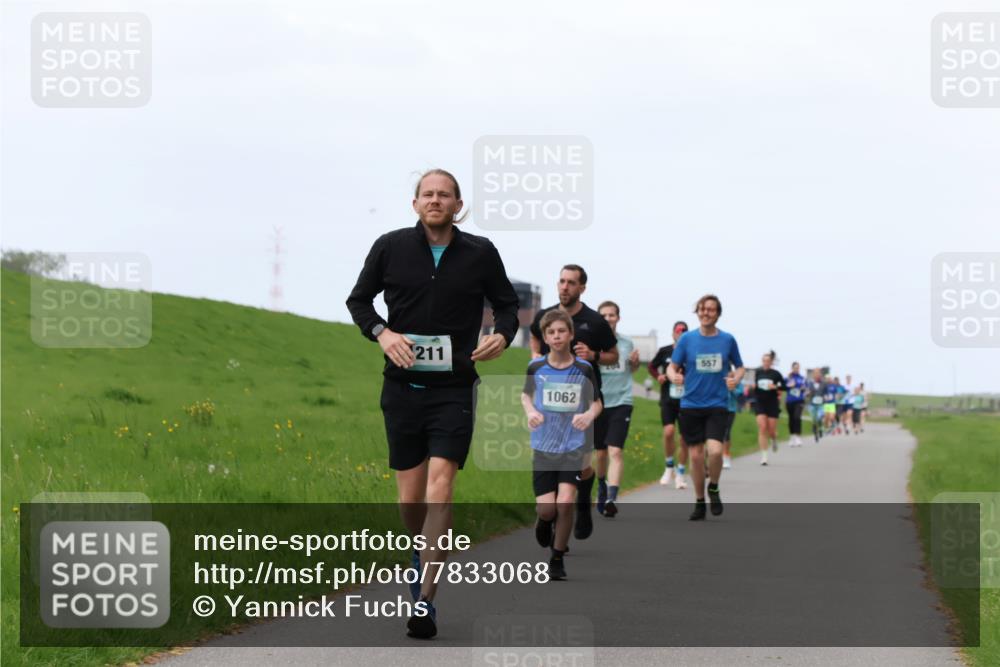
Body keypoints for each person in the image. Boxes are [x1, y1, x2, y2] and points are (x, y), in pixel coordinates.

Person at [346, 168, 519, 639]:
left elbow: (506, 305)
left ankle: (425, 600)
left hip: (454, 388)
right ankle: (417, 551)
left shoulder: (480, 253)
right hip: (401, 388)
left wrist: (503, 334)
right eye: (428, 194)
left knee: (440, 490)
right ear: (415, 203)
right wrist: (383, 334)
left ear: (458, 205)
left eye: (445, 195)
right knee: (410, 499)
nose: (436, 201)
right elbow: (359, 301)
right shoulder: (390, 246)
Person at [530, 265, 618, 541]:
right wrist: (535, 356)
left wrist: (593, 354)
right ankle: (552, 514)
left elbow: (613, 355)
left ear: (582, 288)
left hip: (585, 401)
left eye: (571, 283)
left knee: (581, 463)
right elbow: (534, 335)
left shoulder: (594, 321)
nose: (564, 287)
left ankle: (582, 500)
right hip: (549, 406)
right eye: (561, 281)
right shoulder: (546, 316)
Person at [522, 310, 602, 581]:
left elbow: (597, 402)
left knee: (565, 502)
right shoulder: (536, 368)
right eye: (551, 333)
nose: (556, 336)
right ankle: (544, 521)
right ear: (545, 337)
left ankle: (557, 558)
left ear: (570, 334)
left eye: (561, 331)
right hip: (544, 445)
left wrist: (588, 414)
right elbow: (526, 396)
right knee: (547, 508)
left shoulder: (584, 369)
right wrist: (531, 412)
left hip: (573, 445)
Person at [667, 295, 745, 520]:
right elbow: (673, 367)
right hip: (691, 404)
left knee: (716, 451)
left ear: (718, 313)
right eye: (702, 309)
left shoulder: (727, 340)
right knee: (696, 457)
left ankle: (714, 486)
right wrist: (674, 377)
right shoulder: (687, 340)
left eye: (711, 309)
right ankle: (700, 501)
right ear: (697, 313)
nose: (706, 313)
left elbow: (740, 367)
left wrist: (736, 379)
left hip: (717, 404)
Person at [595, 301, 640, 518]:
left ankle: (612, 497)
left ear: (618, 318)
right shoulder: (593, 344)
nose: (608, 318)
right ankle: (602, 485)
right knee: (601, 453)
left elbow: (633, 369)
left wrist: (636, 363)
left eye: (612, 315)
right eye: (604, 315)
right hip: (598, 402)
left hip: (622, 401)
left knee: (615, 450)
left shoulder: (626, 343)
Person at [648, 321, 690, 489]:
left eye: (684, 331)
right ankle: (669, 466)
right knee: (669, 432)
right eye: (678, 331)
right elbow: (651, 366)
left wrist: (686, 378)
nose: (680, 333)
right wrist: (658, 376)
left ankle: (680, 472)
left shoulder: (691, 352)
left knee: (684, 438)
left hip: (686, 400)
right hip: (668, 398)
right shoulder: (665, 351)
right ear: (673, 333)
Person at [753, 351, 786, 465]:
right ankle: (764, 456)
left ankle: (773, 439)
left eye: (768, 361)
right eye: (764, 361)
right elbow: (752, 385)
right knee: (762, 428)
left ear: (771, 362)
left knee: (771, 430)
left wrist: (775, 386)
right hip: (760, 403)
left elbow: (784, 387)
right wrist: (753, 387)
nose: (766, 363)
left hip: (772, 404)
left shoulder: (776, 374)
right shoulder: (757, 372)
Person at [722, 374, 743, 469]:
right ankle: (719, 456)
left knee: (726, 432)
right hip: (718, 408)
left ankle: (726, 456)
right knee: (718, 434)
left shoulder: (737, 381)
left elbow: (739, 393)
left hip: (731, 409)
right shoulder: (719, 378)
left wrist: (732, 388)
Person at [784, 361, 806, 447]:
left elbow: (806, 388)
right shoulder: (788, 378)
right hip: (790, 401)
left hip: (799, 400)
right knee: (791, 419)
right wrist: (789, 385)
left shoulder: (802, 378)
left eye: (798, 368)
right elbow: (784, 387)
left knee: (797, 417)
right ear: (792, 368)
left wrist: (804, 389)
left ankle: (798, 437)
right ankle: (792, 436)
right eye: (795, 368)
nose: (796, 369)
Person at [805, 368, 826, 443]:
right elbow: (807, 392)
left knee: (819, 417)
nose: (817, 375)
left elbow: (826, 392)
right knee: (814, 419)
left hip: (821, 404)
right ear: (813, 375)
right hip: (812, 404)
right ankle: (815, 434)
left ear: (820, 375)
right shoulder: (810, 383)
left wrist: (826, 397)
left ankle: (820, 428)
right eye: (815, 374)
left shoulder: (824, 383)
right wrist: (807, 394)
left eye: (818, 373)